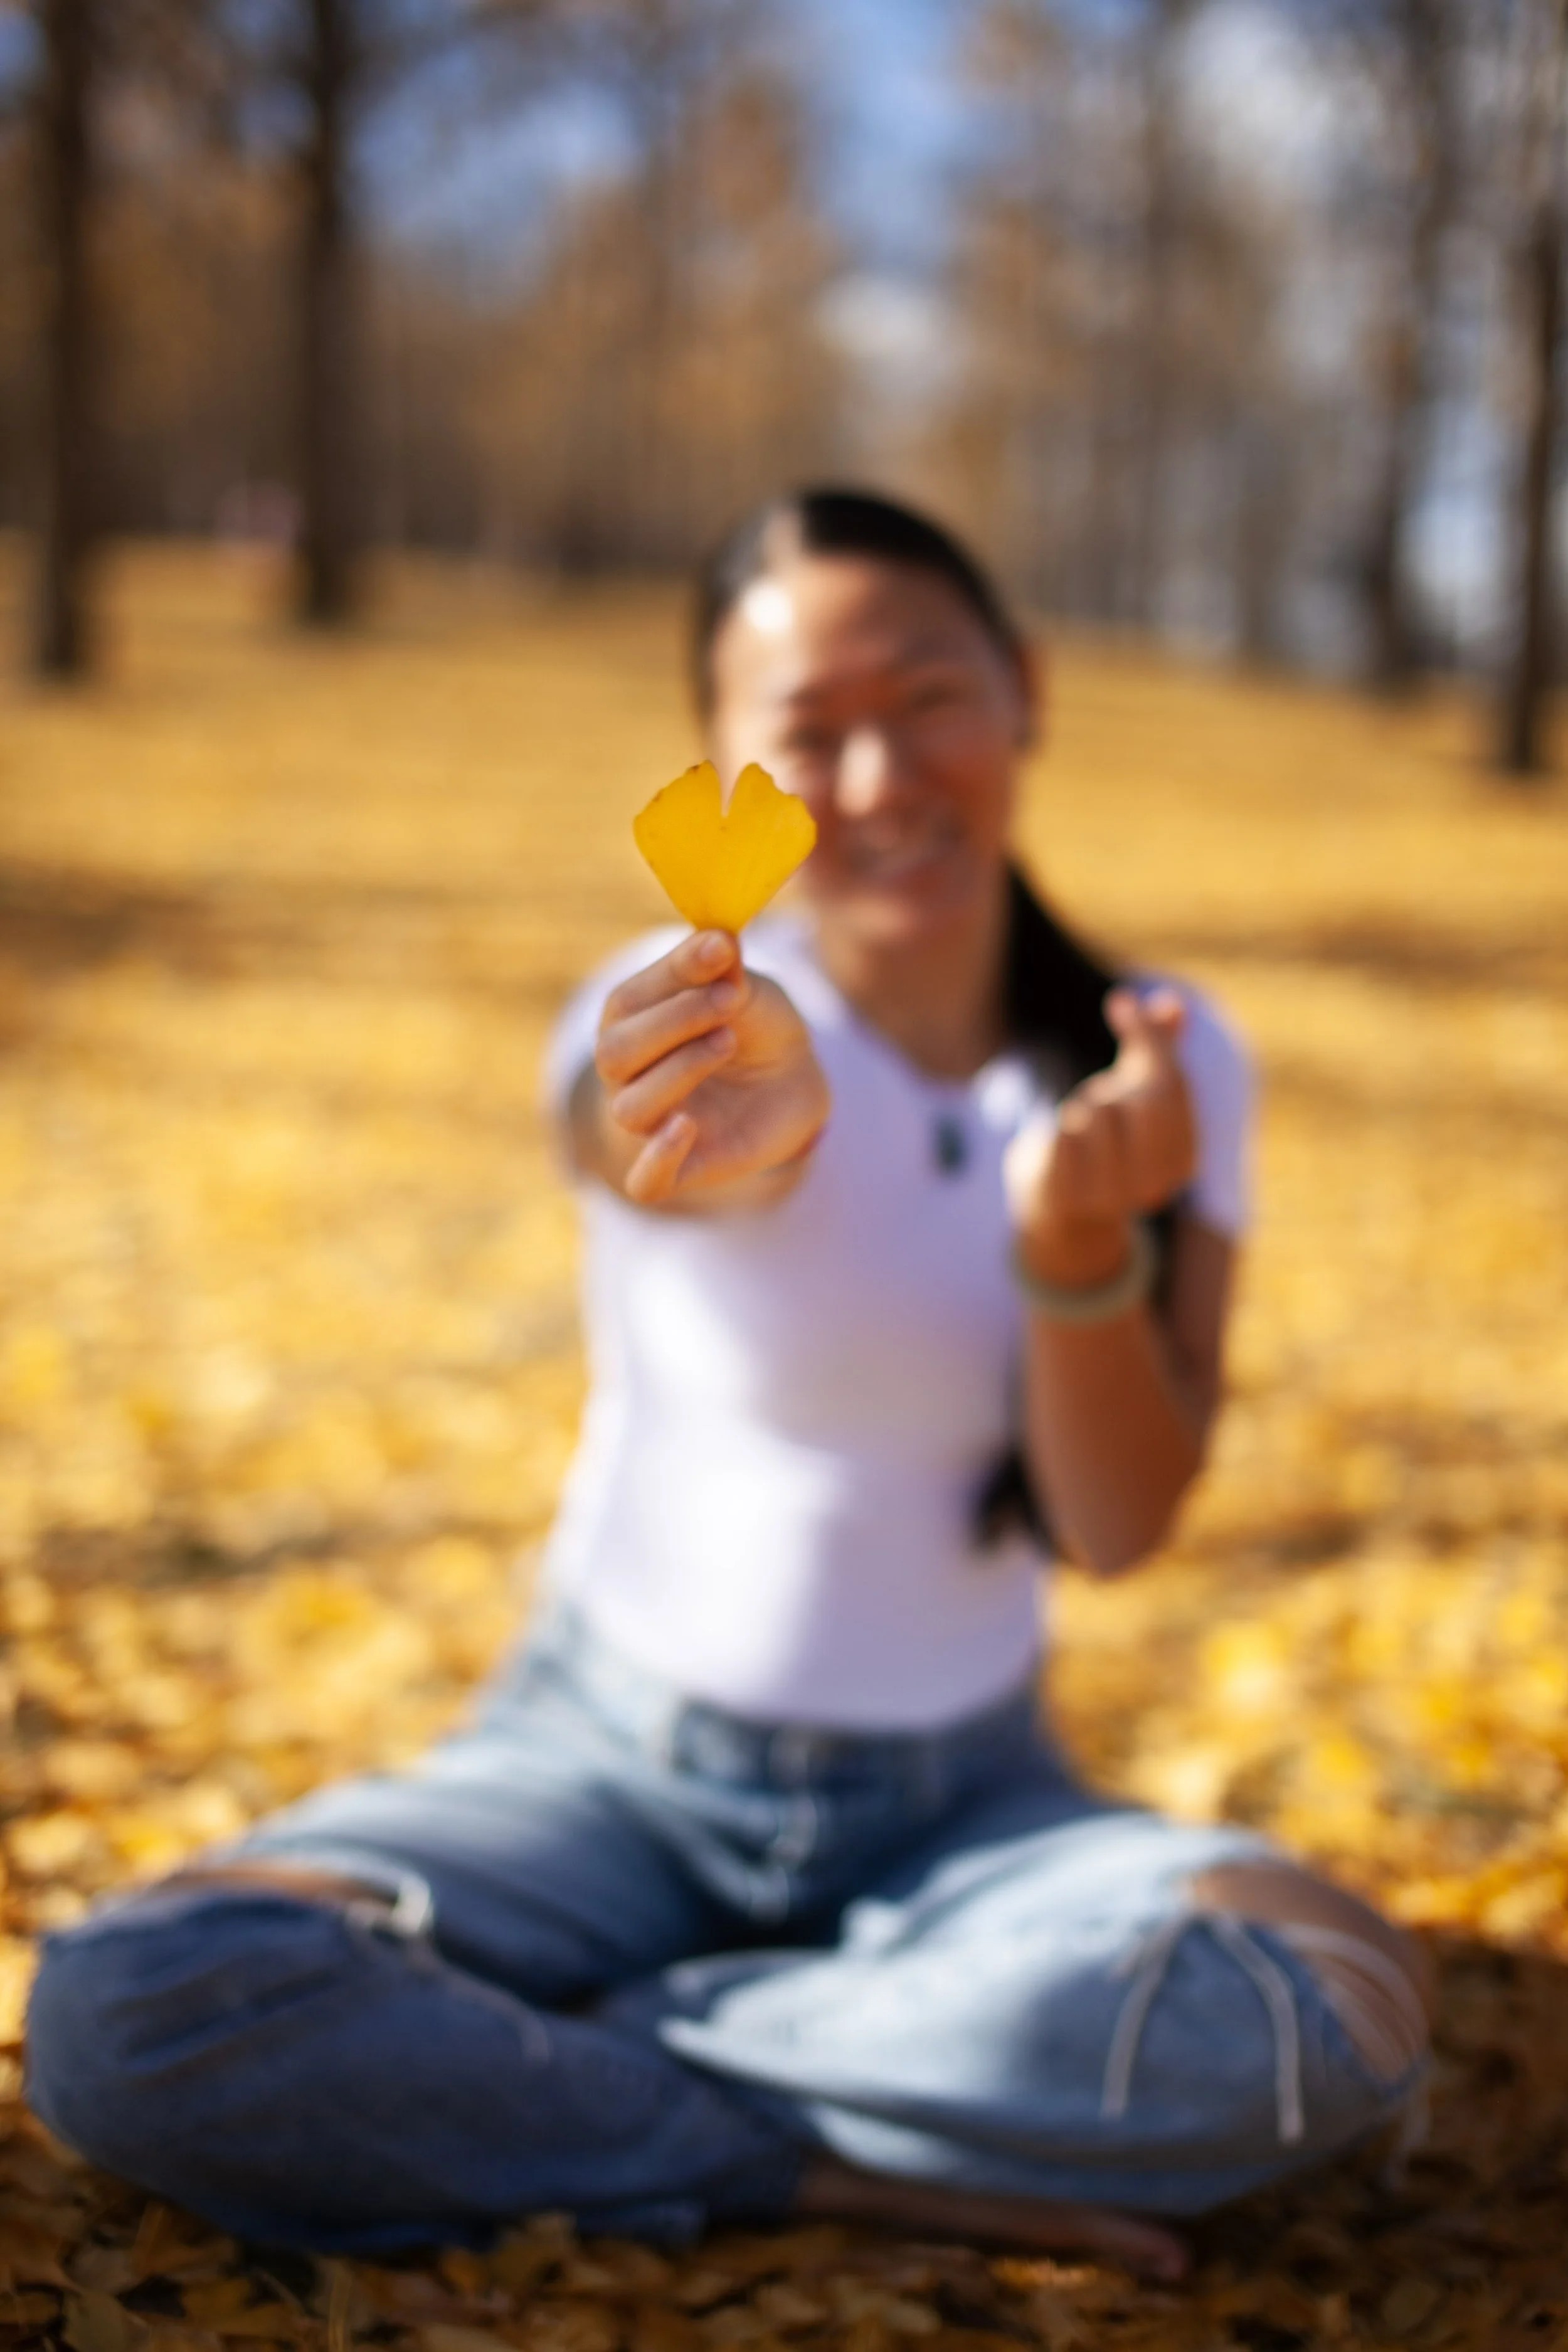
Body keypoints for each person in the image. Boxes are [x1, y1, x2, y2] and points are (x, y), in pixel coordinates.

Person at [25, 490, 1432, 2281]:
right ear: (718, 776)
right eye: (803, 735)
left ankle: (550, 2047)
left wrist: (1078, 1253)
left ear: (1025, 691)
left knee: (1338, 2012)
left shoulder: (1161, 1059)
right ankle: (810, 2140)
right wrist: (730, 1112)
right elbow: (643, 1136)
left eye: (924, 698)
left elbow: (1117, 1520)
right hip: (593, 1776)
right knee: (132, 2006)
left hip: (970, 1812)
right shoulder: (674, 1005)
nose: (870, 780)